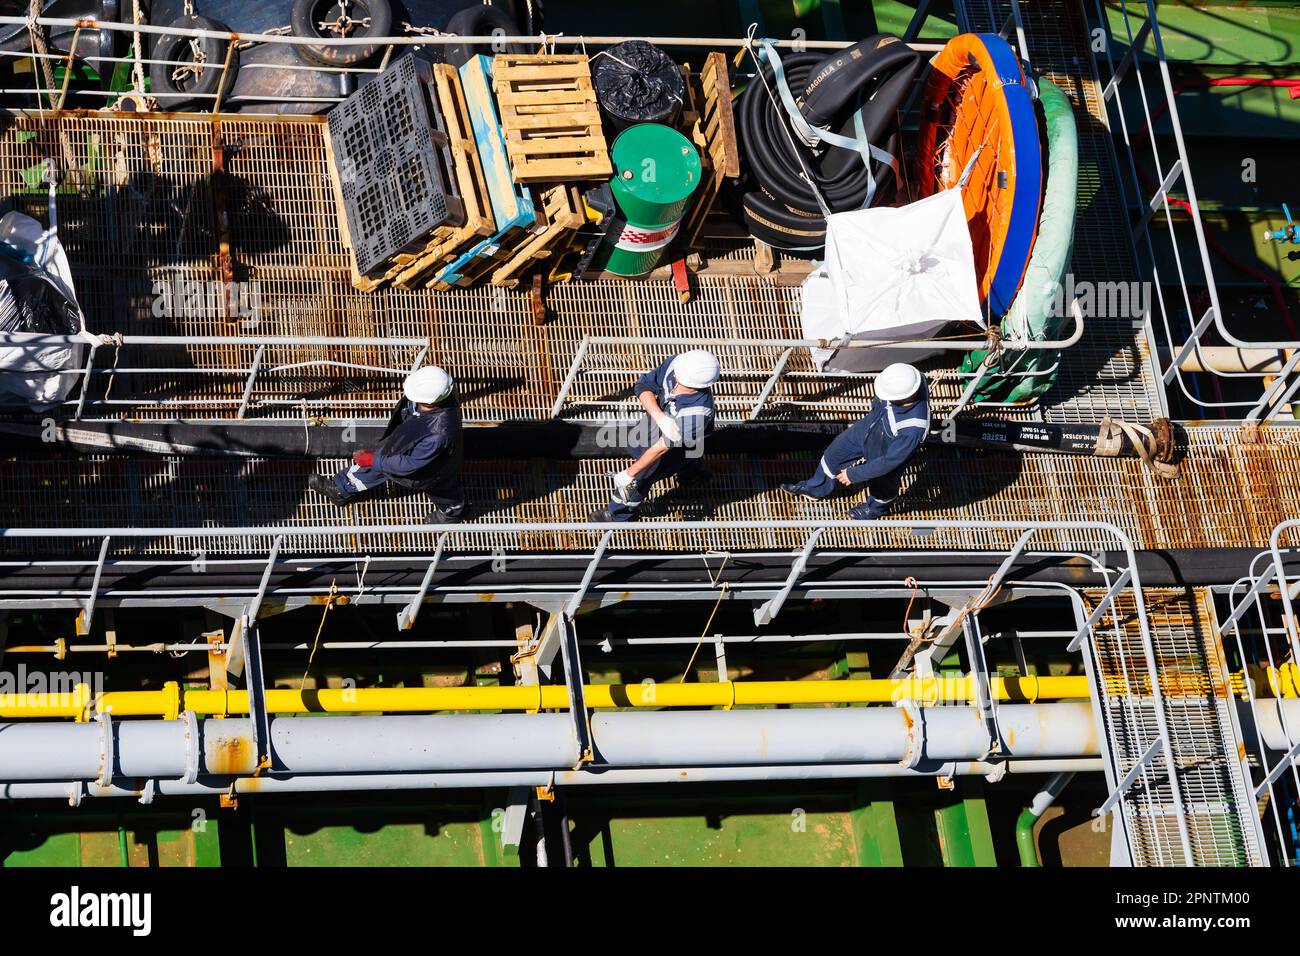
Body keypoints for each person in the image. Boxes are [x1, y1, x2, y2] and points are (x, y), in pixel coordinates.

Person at [309, 365, 467, 523]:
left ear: (428, 401)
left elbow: (409, 464)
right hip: (410, 438)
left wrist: (374, 460)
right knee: (382, 463)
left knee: (442, 486)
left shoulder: (438, 434)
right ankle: (341, 489)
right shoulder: (442, 394)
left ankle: (451, 513)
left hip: (431, 469)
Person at [781, 362, 929, 520]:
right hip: (867, 428)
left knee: (883, 483)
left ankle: (876, 509)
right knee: (834, 453)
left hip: (885, 450)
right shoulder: (911, 378)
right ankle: (816, 487)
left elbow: (888, 462)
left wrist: (853, 474)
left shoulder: (912, 429)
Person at [590, 349, 720, 523]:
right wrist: (659, 417)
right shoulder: (677, 365)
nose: (677, 385)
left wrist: (630, 473)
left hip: (678, 442)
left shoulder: (697, 413)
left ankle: (618, 514)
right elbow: (643, 385)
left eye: (687, 385)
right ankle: (691, 476)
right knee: (690, 455)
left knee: (642, 477)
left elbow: (660, 448)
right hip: (660, 424)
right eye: (678, 377)